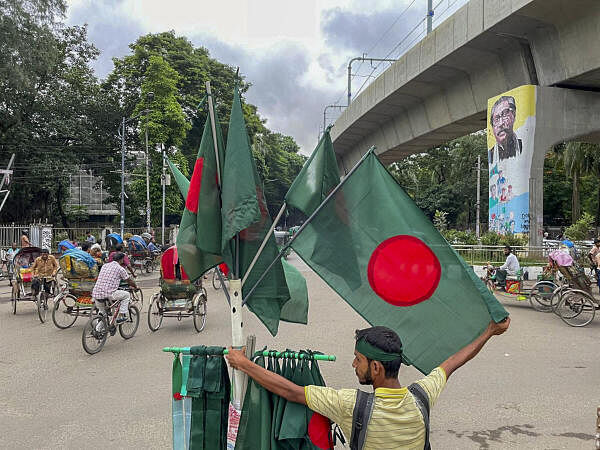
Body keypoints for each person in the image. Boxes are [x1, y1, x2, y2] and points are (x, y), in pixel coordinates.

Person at [226, 319, 510, 449]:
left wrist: (245, 364)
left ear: (375, 367)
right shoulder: (422, 396)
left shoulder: (351, 405)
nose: (353, 365)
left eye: (357, 360)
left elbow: (291, 391)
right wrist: (489, 332)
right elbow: (452, 363)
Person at [91, 252, 137, 324]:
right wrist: (136, 287)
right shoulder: (120, 269)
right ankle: (121, 316)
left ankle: (97, 331)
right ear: (121, 260)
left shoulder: (105, 265)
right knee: (127, 295)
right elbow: (129, 280)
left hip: (96, 293)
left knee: (103, 314)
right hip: (108, 294)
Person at [488, 96, 522, 164]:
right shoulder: (491, 154)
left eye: (504, 115)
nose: (501, 123)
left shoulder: (524, 146)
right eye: (496, 119)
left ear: (513, 115)